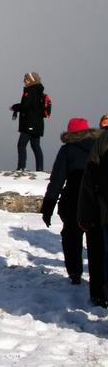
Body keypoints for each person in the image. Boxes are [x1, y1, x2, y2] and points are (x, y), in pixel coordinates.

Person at [42, 118, 105, 307]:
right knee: (96, 246)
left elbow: (57, 180)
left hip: (72, 202)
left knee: (71, 237)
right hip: (96, 203)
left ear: (70, 133)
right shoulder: (99, 146)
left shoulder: (67, 150)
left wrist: (48, 207)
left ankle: (75, 272)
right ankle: (98, 290)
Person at [78, 130, 108, 307]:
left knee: (102, 254)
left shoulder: (102, 140)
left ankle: (100, 294)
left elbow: (89, 180)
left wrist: (85, 213)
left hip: (103, 211)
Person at [11, 72, 49, 171]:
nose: (24, 81)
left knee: (21, 145)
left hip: (29, 123)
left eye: (26, 79)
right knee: (36, 146)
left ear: (31, 80)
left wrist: (15, 107)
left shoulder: (30, 90)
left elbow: (26, 106)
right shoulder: (39, 91)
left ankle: (21, 167)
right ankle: (40, 168)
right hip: (38, 124)